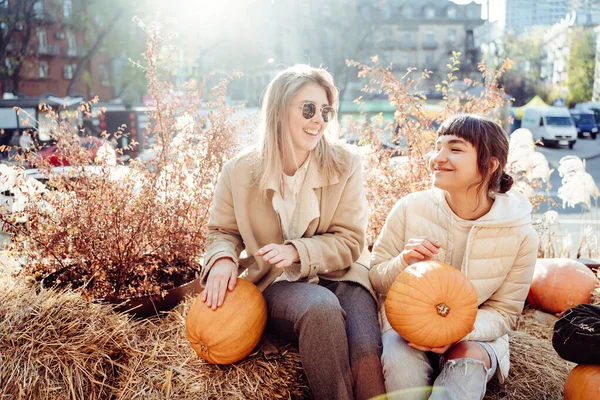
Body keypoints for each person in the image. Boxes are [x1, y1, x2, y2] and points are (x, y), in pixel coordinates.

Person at [200, 64, 386, 400]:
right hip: (278, 281)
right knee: (320, 309)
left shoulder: (346, 163)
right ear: (278, 110)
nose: (319, 120)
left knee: (364, 345)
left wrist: (298, 251)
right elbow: (221, 231)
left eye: (326, 111)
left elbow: (351, 240)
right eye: (309, 109)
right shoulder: (238, 171)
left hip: (342, 274)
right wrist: (223, 259)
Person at [370, 114, 539, 400]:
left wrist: (458, 331)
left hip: (473, 332)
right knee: (401, 364)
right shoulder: (410, 208)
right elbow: (376, 278)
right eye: (438, 147)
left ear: (491, 164)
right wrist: (403, 262)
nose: (438, 157)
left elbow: (505, 311)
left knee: (467, 365)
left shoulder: (521, 233)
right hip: (405, 326)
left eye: (455, 149)